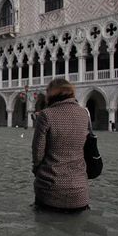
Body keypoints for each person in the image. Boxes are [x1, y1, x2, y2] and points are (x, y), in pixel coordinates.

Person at [32, 79, 90, 213]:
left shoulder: (46, 115)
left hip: (50, 191)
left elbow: (38, 152)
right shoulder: (84, 114)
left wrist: (37, 171)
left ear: (51, 94)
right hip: (80, 193)